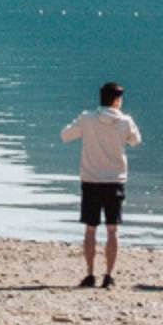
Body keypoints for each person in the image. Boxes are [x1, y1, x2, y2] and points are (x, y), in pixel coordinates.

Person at [60, 81, 141, 288]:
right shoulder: (125, 121)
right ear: (116, 100)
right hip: (115, 180)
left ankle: (89, 274)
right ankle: (109, 275)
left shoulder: (87, 119)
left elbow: (65, 135)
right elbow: (135, 141)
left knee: (90, 229)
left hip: (91, 179)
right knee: (113, 229)